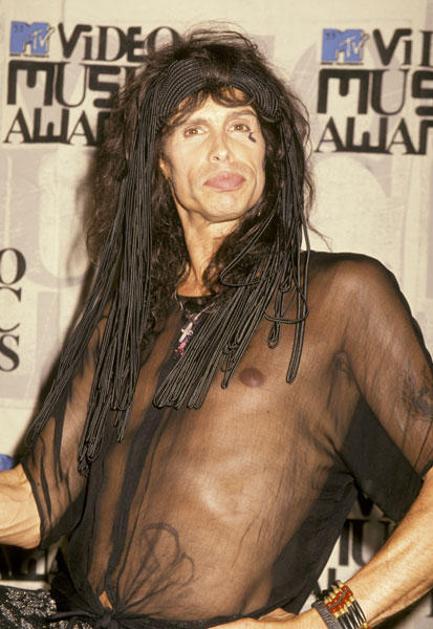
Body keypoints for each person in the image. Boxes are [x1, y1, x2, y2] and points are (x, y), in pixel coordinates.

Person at [0, 27, 432, 629]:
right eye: (194, 129)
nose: (224, 150)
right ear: (161, 163)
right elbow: (33, 506)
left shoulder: (340, 297)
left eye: (242, 128)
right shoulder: (126, 309)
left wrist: (330, 620)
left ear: (268, 157)